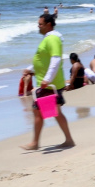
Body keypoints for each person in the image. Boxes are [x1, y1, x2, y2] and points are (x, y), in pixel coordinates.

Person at [19, 13, 75, 151]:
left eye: (40, 24)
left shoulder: (53, 39)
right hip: (47, 82)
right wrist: (30, 69)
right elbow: (44, 60)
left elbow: (55, 60)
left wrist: (47, 79)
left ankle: (36, 143)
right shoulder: (49, 38)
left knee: (40, 112)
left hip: (49, 84)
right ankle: (67, 140)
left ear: (48, 25)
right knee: (52, 111)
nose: (38, 26)